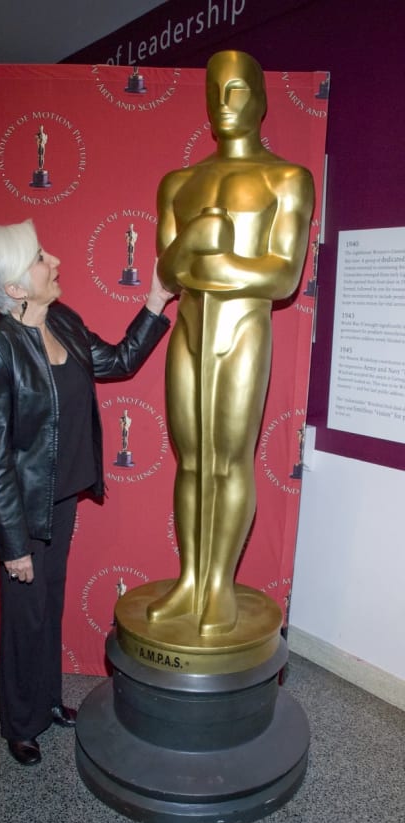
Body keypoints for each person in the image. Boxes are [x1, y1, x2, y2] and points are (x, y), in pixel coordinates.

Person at [0, 218, 172, 766]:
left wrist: (156, 298)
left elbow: (120, 361)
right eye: (38, 258)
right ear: (13, 288)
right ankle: (20, 722)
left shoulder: (65, 321)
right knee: (24, 618)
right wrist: (12, 545)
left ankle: (48, 702)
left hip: (64, 500)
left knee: (49, 608)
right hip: (23, 514)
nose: (53, 260)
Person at [147, 50, 314, 637]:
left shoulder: (286, 179)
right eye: (216, 91)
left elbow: (282, 276)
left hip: (243, 330)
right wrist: (194, 238)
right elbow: (168, 273)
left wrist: (206, 255)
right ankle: (190, 578)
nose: (224, 104)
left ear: (263, 98)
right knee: (191, 461)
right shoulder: (180, 182)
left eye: (238, 90)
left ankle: (218, 584)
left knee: (229, 460)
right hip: (191, 332)